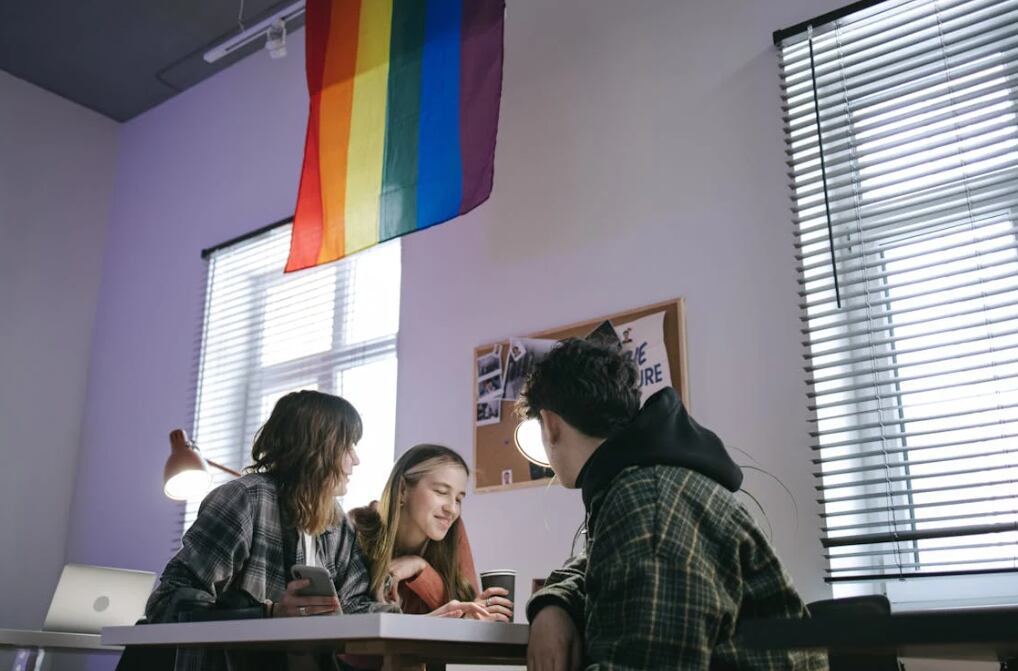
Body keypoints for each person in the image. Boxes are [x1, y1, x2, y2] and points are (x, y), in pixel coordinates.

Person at [519, 338, 828, 670]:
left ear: (550, 424)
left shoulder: (647, 501)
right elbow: (591, 566)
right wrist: (554, 603)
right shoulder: (647, 483)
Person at [145, 390, 397, 671]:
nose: (356, 459)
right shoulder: (244, 500)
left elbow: (354, 606)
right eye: (347, 446)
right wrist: (268, 614)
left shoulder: (337, 522)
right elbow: (166, 604)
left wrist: (418, 621)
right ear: (315, 450)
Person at [351, 444, 512, 620]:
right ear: (402, 490)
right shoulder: (357, 527)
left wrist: (420, 568)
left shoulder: (454, 529)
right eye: (441, 492)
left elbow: (466, 609)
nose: (452, 509)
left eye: (459, 499)